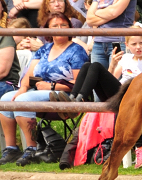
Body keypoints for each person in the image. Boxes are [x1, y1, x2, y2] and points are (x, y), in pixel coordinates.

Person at [51, 33, 142, 166]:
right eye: (134, 44)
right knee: (86, 66)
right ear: (127, 46)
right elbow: (111, 77)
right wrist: (113, 64)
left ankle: (77, 103)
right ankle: (73, 99)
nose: (138, 47)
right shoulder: (126, 58)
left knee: (95, 66)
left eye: (141, 43)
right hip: (120, 94)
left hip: (133, 97)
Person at [0, 13, 87, 166]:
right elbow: (30, 74)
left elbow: (78, 83)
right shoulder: (44, 49)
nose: (59, 29)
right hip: (38, 90)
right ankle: (11, 148)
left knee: (22, 101)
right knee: (6, 98)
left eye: (63, 25)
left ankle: (31, 149)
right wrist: (23, 87)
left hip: (63, 94)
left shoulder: (76, 50)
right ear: (48, 29)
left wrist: (51, 86)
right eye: (55, 26)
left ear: (70, 28)